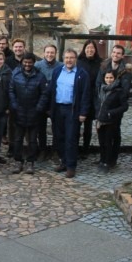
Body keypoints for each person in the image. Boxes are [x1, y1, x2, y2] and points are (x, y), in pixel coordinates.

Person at [48, 49, 91, 178]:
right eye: (66, 57)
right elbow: (52, 90)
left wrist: (83, 112)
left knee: (71, 138)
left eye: (71, 58)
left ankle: (71, 166)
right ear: (63, 58)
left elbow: (85, 94)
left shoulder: (82, 74)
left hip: (72, 110)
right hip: (58, 108)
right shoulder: (57, 71)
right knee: (59, 137)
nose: (69, 60)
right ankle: (64, 162)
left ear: (76, 59)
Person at [9, 52, 49, 175]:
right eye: (25, 62)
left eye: (30, 62)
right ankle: (18, 161)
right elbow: (11, 90)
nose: (27, 64)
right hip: (19, 111)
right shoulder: (16, 74)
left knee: (32, 140)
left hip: (34, 112)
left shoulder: (40, 76)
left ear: (33, 62)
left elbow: (44, 93)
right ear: (22, 62)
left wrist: (39, 107)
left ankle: (30, 161)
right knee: (17, 139)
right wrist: (14, 105)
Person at [95, 70, 128, 173]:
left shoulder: (119, 91)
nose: (108, 80)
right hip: (100, 120)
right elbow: (98, 102)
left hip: (111, 121)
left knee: (108, 142)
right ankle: (102, 159)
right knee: (101, 141)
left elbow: (124, 106)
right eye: (107, 78)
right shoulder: (101, 89)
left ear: (114, 79)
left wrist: (111, 113)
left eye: (111, 78)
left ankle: (107, 162)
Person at [35, 44, 62, 158]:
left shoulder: (61, 66)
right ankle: (42, 149)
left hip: (55, 100)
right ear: (44, 53)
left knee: (57, 127)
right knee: (41, 127)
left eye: (52, 52)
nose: (50, 54)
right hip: (41, 99)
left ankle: (56, 149)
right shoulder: (38, 65)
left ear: (55, 53)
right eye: (47, 52)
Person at [77, 39, 103, 154]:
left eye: (92, 48)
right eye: (88, 48)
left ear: (95, 50)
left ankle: (85, 148)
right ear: (84, 49)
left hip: (94, 96)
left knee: (88, 125)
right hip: (80, 96)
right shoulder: (79, 61)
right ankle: (75, 147)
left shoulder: (100, 63)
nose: (90, 50)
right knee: (77, 124)